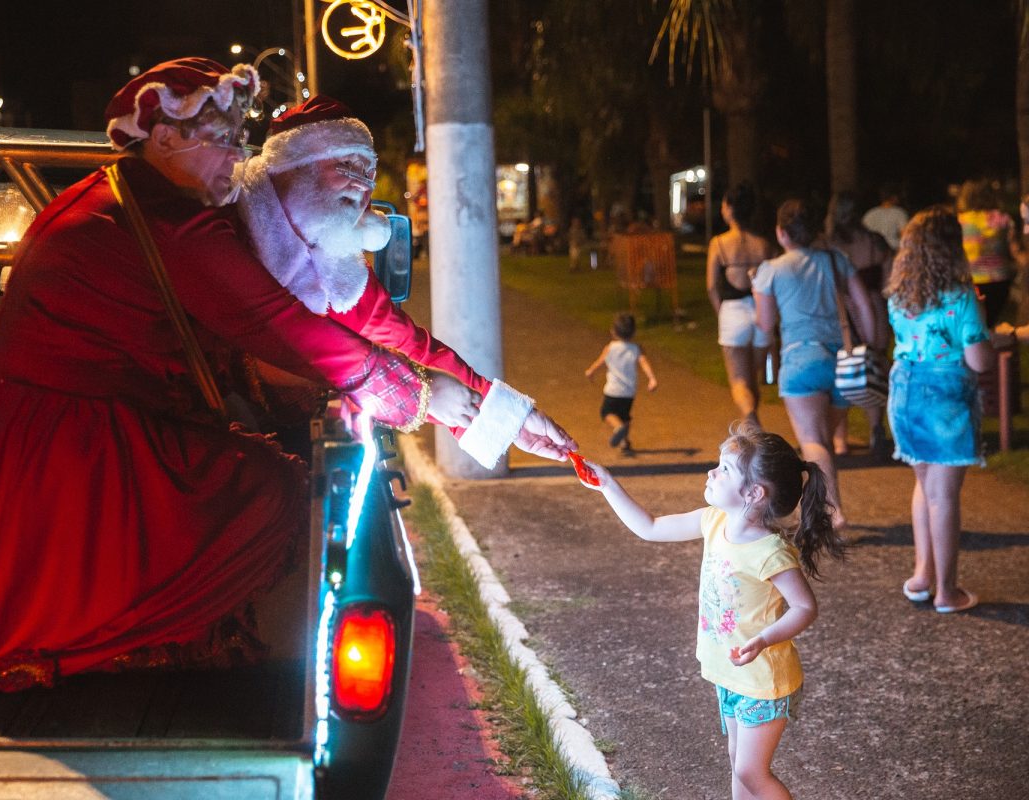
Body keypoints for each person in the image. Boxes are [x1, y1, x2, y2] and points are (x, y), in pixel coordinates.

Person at [0, 60, 573, 690]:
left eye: (238, 139)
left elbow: (377, 321)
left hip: (72, 428)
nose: (232, 154)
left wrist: (504, 409)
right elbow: (284, 328)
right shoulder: (171, 222)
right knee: (273, 492)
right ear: (163, 140)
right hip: (59, 445)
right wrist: (427, 400)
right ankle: (130, 640)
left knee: (260, 478)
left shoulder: (186, 204)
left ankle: (147, 630)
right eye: (219, 140)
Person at [233, 95, 576, 469]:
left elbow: (411, 344)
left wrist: (509, 420)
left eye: (368, 174)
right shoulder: (229, 228)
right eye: (347, 166)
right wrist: (422, 393)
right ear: (294, 164)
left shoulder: (340, 265)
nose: (362, 189)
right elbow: (288, 344)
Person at [579, 423, 845, 800]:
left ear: (754, 493)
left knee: (752, 774)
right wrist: (608, 485)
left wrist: (764, 639)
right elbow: (650, 527)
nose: (712, 472)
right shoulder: (714, 521)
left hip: (763, 682)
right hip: (732, 673)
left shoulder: (769, 551)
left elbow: (804, 607)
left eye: (724, 469)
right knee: (738, 762)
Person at [887, 207, 994, 613]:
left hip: (905, 391)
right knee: (944, 496)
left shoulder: (900, 296)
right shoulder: (961, 296)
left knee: (924, 483)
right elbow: (979, 360)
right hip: (945, 396)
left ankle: (922, 576)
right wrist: (990, 333)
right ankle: (947, 592)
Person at [753, 199, 876, 530]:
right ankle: (816, 508)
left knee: (813, 442)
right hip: (842, 363)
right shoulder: (837, 261)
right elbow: (864, 306)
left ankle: (834, 512)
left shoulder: (771, 270)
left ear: (781, 233)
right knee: (822, 440)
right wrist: (872, 346)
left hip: (801, 361)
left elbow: (764, 325)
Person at [819, 191, 893, 456]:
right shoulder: (876, 243)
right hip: (875, 310)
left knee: (843, 370)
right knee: (872, 366)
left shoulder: (828, 246)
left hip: (843, 314)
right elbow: (888, 282)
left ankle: (840, 439)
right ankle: (876, 428)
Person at [706, 183, 774, 427]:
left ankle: (750, 417)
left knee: (739, 380)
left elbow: (712, 286)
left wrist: (720, 311)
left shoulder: (719, 243)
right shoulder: (764, 245)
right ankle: (752, 420)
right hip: (761, 313)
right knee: (753, 378)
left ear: (730, 209)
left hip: (733, 312)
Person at [583, 312, 657, 455]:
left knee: (607, 412)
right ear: (634, 332)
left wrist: (591, 371)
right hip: (629, 392)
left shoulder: (610, 347)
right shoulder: (636, 349)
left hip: (613, 390)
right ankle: (625, 443)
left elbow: (600, 362)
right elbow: (644, 362)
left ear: (613, 331)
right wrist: (652, 378)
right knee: (624, 416)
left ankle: (618, 428)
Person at [956, 178, 1019, 326]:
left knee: (974, 323)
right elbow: (1014, 249)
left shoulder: (960, 221)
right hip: (1000, 278)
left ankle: (979, 347)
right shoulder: (1003, 219)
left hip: (970, 280)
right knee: (990, 322)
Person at [861, 187, 909, 251]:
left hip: (873, 252)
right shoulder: (899, 213)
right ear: (895, 197)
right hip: (893, 250)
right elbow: (905, 235)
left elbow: (863, 236)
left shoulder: (869, 214)